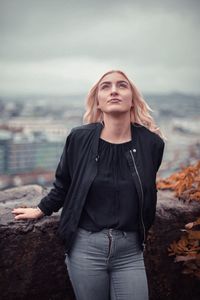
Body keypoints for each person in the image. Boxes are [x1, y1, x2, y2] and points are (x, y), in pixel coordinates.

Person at [12, 70, 165, 300]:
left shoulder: (151, 144)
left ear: (132, 99)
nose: (114, 90)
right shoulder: (79, 138)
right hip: (86, 248)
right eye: (106, 87)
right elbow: (64, 183)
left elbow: (146, 192)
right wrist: (41, 209)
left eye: (122, 85)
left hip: (130, 251)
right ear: (98, 102)